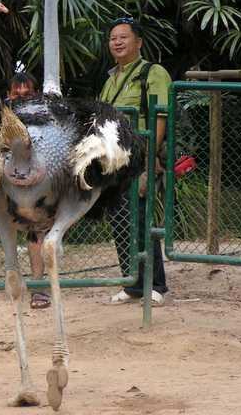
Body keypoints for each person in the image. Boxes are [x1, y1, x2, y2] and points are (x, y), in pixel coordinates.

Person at [99, 17, 170, 306]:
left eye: (123, 37)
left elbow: (159, 117)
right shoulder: (109, 79)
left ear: (138, 42)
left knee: (141, 218)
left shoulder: (153, 73)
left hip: (140, 156)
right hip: (113, 161)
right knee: (119, 221)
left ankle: (156, 285)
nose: (116, 42)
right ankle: (132, 283)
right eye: (113, 38)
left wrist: (150, 156)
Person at [0, 73, 50, 309]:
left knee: (36, 233)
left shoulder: (43, 120)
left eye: (27, 94)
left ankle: (37, 287)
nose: (21, 98)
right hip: (2, 192)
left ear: (35, 95)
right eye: (17, 94)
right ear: (9, 96)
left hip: (35, 189)